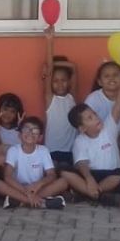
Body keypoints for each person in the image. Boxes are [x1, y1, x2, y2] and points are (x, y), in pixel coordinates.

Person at [61, 70, 120, 205]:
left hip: (111, 175)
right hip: (92, 174)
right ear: (82, 128)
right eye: (89, 118)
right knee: (64, 171)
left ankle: (90, 194)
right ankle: (99, 194)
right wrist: (89, 179)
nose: (96, 118)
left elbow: (118, 106)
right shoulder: (80, 141)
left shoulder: (109, 129)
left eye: (94, 114)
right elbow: (82, 163)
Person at [0, 116, 69, 210]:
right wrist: (26, 192)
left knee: (63, 182)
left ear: (40, 137)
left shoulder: (43, 150)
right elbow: (7, 177)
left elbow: (51, 175)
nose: (30, 133)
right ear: (19, 135)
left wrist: (39, 184)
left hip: (37, 189)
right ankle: (41, 203)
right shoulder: (13, 150)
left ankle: (20, 201)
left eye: (35, 131)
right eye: (26, 129)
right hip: (18, 188)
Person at [42, 26, 78, 169]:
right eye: (55, 81)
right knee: (53, 173)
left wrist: (53, 64)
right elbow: (49, 72)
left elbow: (74, 67)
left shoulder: (72, 97)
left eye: (63, 80)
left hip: (69, 150)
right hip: (51, 150)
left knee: (65, 172)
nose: (60, 84)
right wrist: (49, 41)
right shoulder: (50, 98)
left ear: (69, 81)